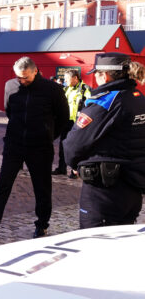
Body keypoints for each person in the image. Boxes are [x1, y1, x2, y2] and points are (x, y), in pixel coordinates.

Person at [0, 57, 68, 240]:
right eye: (19, 77)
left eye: (26, 78)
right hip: (14, 144)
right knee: (3, 185)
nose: (22, 81)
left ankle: (42, 225)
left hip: (40, 147)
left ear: (35, 71)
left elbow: (63, 118)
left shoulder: (52, 89)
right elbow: (9, 110)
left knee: (41, 187)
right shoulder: (10, 85)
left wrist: (48, 135)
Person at [63, 53, 145, 228]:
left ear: (104, 75)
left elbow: (74, 143)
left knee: (93, 244)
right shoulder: (138, 98)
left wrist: (74, 163)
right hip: (133, 187)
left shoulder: (107, 101)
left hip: (105, 189)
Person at [52, 69, 91, 179]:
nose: (65, 81)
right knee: (63, 145)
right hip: (66, 121)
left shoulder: (85, 89)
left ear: (75, 78)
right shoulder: (66, 89)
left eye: (67, 79)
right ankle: (61, 168)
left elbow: (91, 105)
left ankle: (76, 171)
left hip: (78, 123)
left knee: (77, 147)